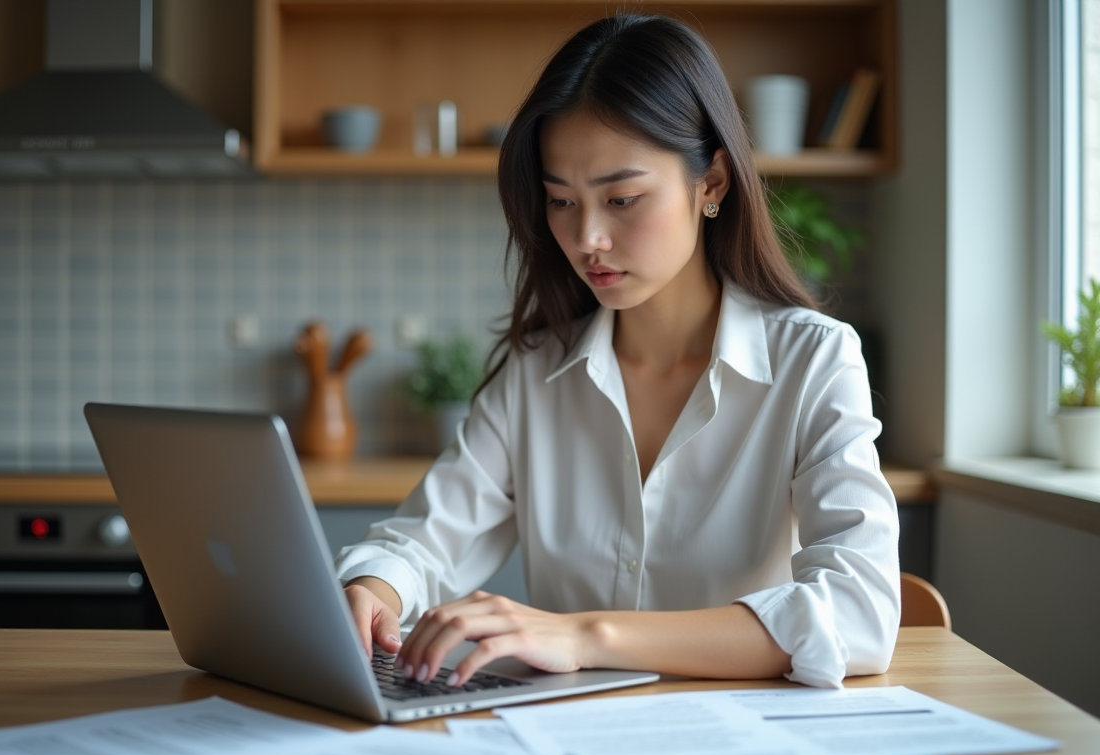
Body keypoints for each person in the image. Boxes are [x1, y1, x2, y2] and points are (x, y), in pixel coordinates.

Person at [336, 14, 899, 691]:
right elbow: (425, 541)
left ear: (711, 183)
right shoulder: (538, 371)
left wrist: (585, 635)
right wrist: (375, 589)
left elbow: (859, 613)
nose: (587, 238)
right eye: (561, 201)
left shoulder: (815, 361)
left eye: (623, 198)